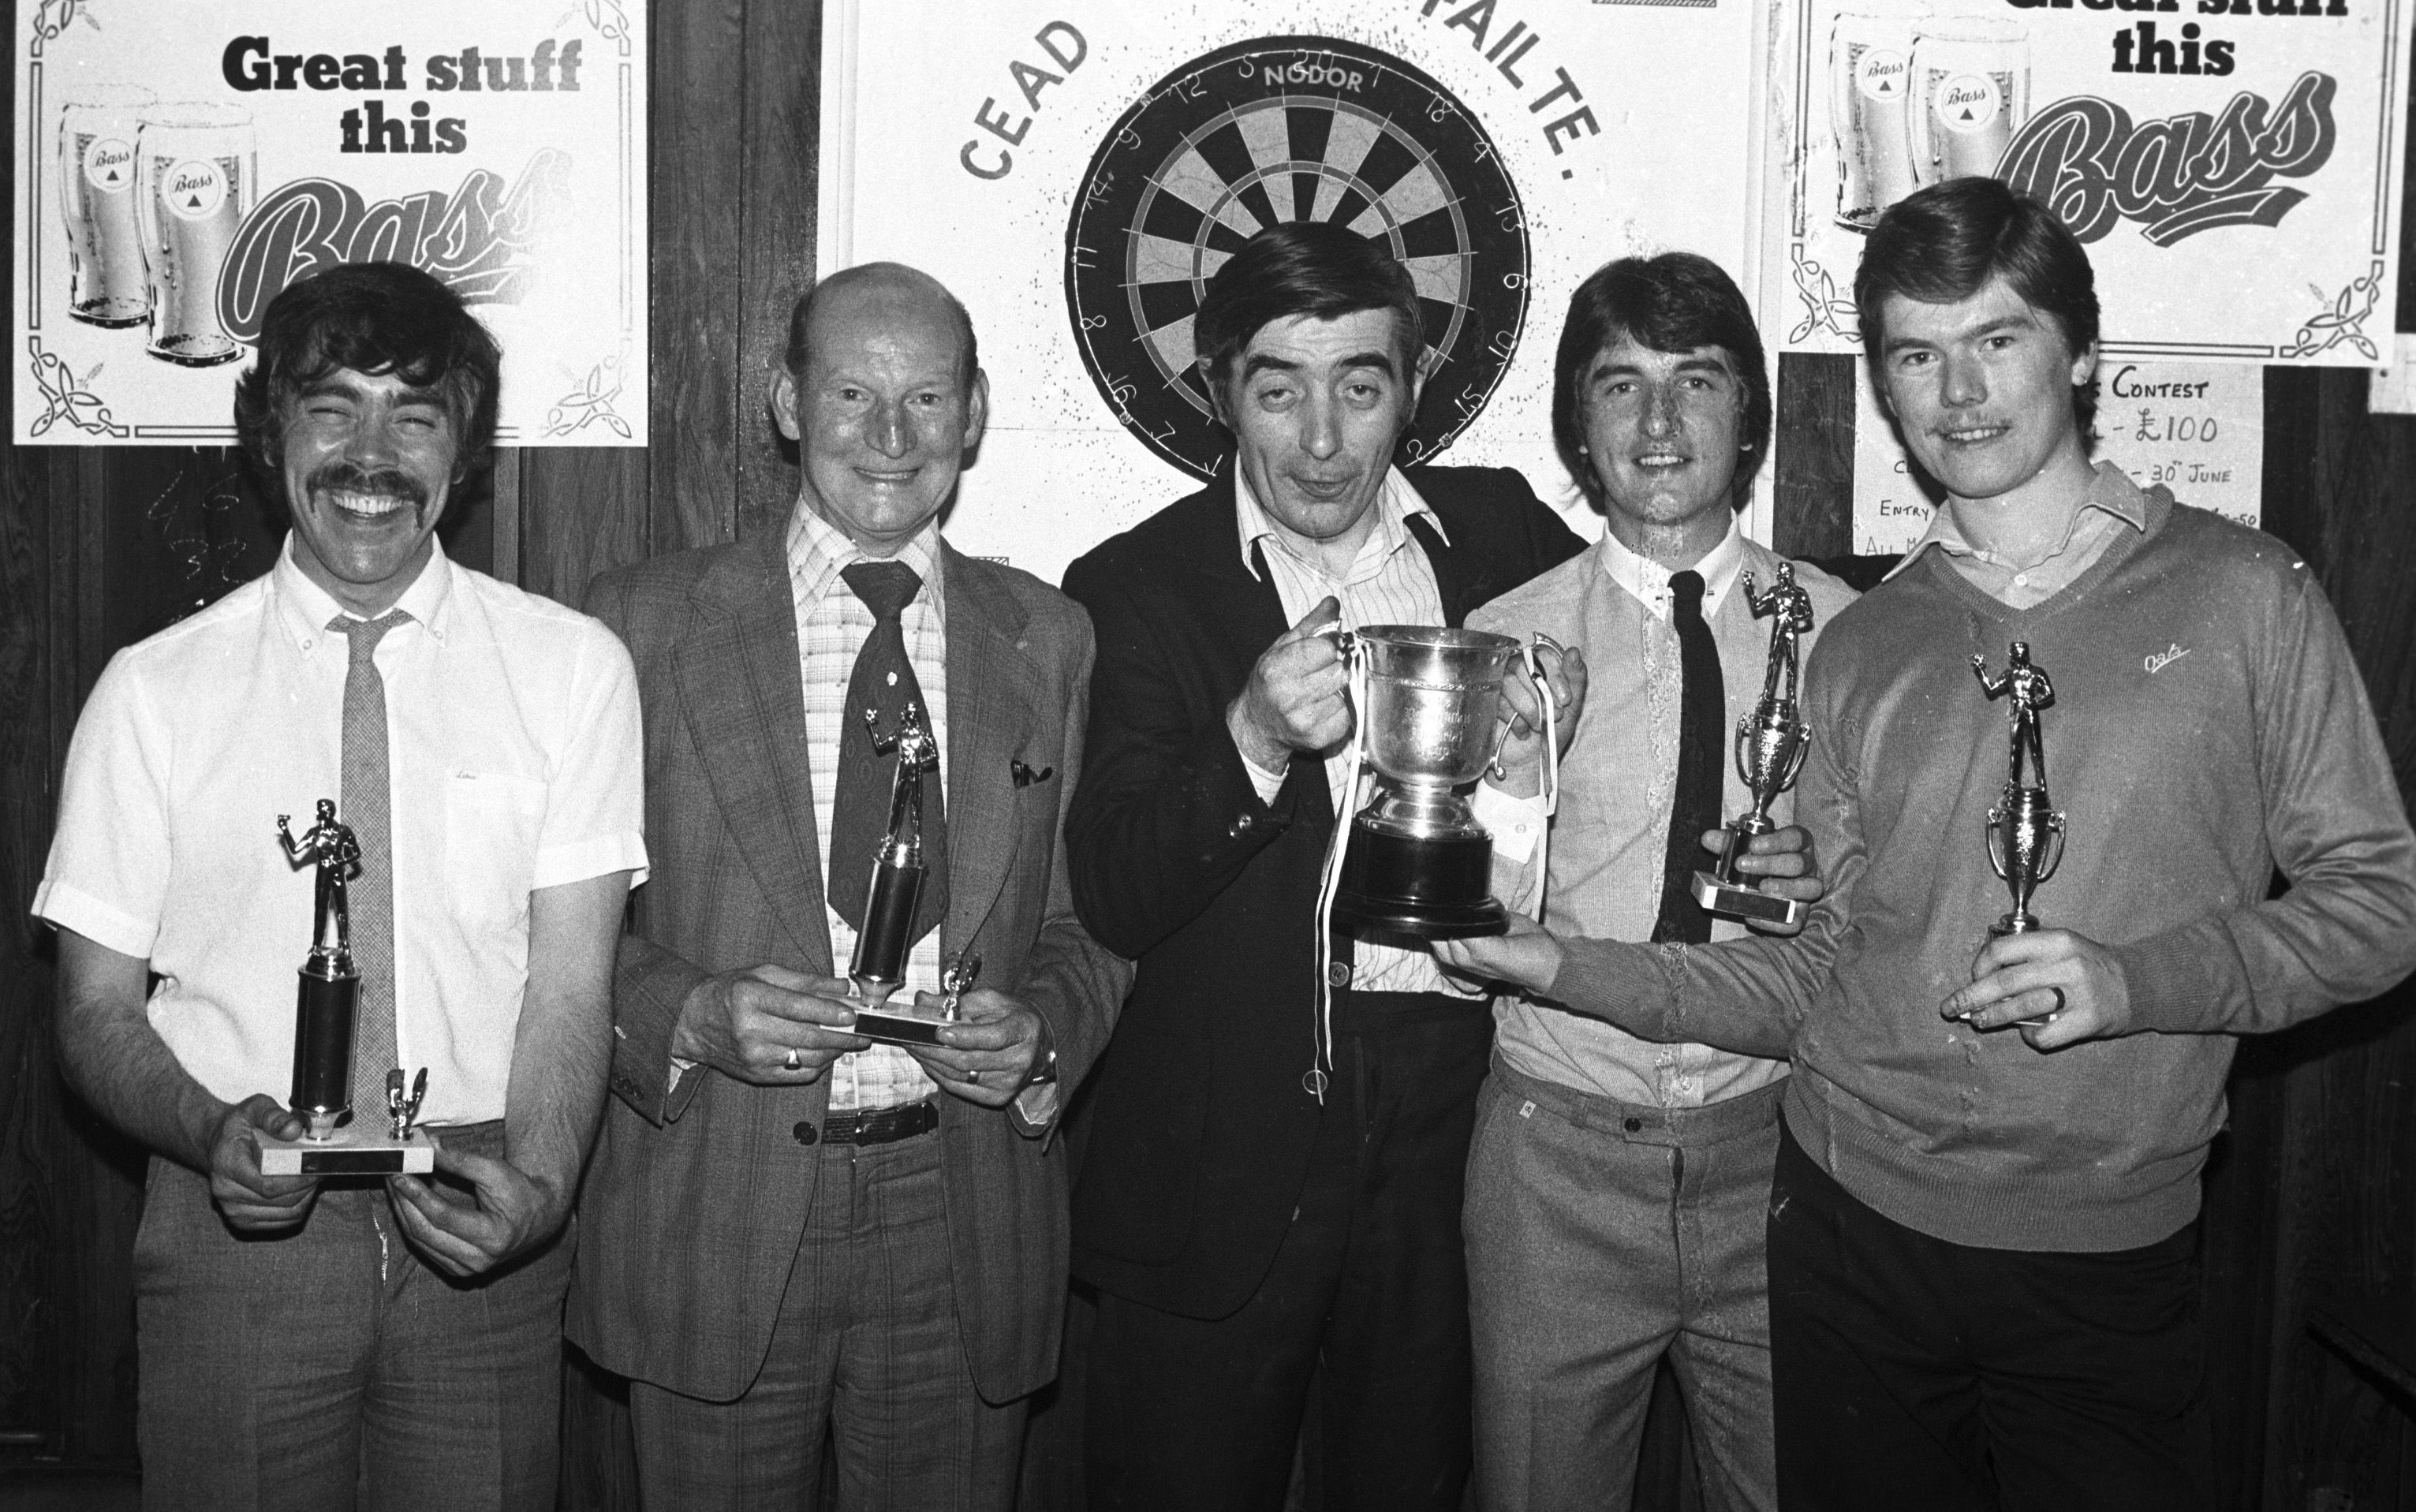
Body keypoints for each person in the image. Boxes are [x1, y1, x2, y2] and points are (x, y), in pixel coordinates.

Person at [1441, 177, 2416, 1510]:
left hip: (2092, 1249)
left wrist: (2144, 980)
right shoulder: (1866, 642)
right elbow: (1812, 975)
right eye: (1917, 354)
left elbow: (2384, 902)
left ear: (2080, 353)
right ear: (1886, 392)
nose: (1959, 391)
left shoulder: (2247, 596)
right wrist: (1549, 956)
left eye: (1997, 340)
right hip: (1837, 1224)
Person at [36, 261, 645, 1510]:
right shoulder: (151, 692)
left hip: (479, 1218)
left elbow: (573, 990)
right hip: (236, 1221)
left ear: (467, 454)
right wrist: (210, 1131)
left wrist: (537, 1188)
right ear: (269, 435)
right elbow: (93, 1009)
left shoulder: (573, 670)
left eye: (414, 417)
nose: (371, 455)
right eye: (332, 409)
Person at [566, 262, 1130, 1509]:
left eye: (928, 398)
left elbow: (1090, 925)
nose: (891, 437)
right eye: (853, 394)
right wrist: (692, 1014)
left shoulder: (1050, 640)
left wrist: (1043, 1039)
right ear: (784, 401)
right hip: (718, 1194)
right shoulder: (640, 623)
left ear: (974, 415)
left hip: (962, 1209)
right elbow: (552, 931)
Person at [1059, 220, 1588, 1510]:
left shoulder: (1506, 537)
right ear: (1220, 388)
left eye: (1359, 386)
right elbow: (1118, 889)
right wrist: (1243, 739)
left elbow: (1617, 785)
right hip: (1224, 1125)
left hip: (1451, 1107)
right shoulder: (1135, 585)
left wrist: (1564, 722)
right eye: (1278, 389)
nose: (1319, 439)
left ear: (1411, 388)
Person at [1456, 252, 1853, 1511]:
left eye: (1698, 381)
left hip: (1781, 1155)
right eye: (1621, 385)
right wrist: (1522, 773)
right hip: (1556, 1162)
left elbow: (1889, 915)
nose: (1661, 423)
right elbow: (1466, 928)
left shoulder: (1847, 637)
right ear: (1581, 422)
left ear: (1751, 416)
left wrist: (1821, 880)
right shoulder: (1495, 641)